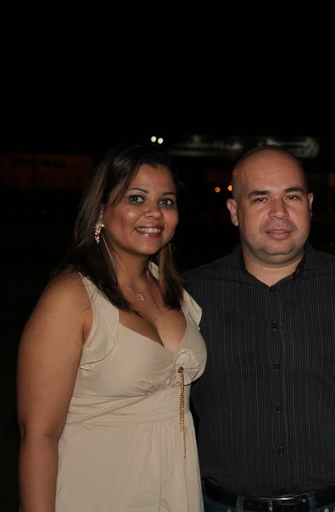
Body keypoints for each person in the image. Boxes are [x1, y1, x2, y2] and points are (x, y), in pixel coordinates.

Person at [184, 145, 335, 512]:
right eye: (260, 198)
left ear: (310, 204)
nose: (279, 212)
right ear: (234, 211)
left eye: (292, 196)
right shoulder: (192, 294)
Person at [17, 143, 207, 511]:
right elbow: (39, 436)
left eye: (167, 201)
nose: (154, 212)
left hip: (173, 492)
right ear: (101, 211)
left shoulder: (175, 292)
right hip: (94, 493)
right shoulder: (71, 298)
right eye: (136, 198)